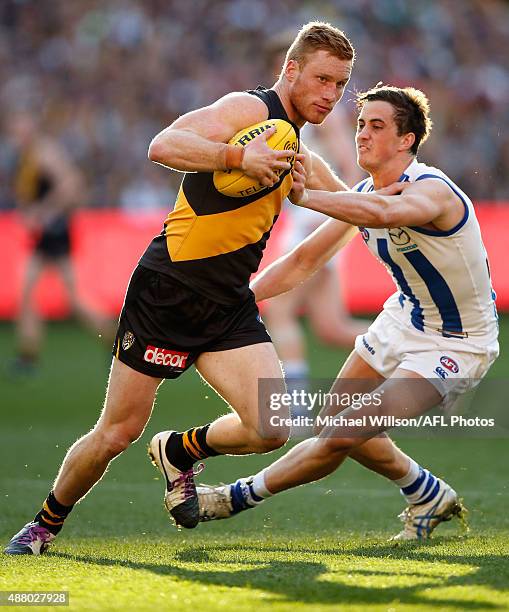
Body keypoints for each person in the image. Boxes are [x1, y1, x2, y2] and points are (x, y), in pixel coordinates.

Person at [4, 21, 357, 555]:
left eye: (340, 84)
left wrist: (378, 201)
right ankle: (44, 525)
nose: (331, 95)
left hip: (227, 301)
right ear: (291, 70)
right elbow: (163, 143)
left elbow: (352, 204)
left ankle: (179, 451)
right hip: (167, 289)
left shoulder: (295, 145)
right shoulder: (249, 111)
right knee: (117, 432)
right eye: (323, 80)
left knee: (271, 426)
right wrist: (236, 157)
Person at [196, 85, 499, 540]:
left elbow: (383, 214)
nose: (362, 135)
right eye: (360, 124)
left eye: (377, 126)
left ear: (407, 140)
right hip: (403, 318)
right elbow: (302, 261)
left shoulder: (433, 190)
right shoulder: (361, 195)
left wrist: (308, 197)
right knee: (335, 425)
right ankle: (427, 493)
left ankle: (235, 496)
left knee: (341, 433)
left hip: (460, 343)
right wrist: (234, 302)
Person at [262, 33, 368, 393]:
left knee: (276, 310)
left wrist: (338, 208)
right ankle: (423, 350)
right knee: (332, 327)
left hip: (314, 219)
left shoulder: (327, 115)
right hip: (313, 218)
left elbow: (350, 166)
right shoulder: (286, 115)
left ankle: (296, 402)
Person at [7, 112, 114, 376]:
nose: (16, 135)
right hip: (47, 233)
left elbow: (72, 184)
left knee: (71, 298)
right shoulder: (29, 156)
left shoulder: (44, 152)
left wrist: (44, 211)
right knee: (29, 292)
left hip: (53, 232)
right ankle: (27, 355)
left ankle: (116, 340)